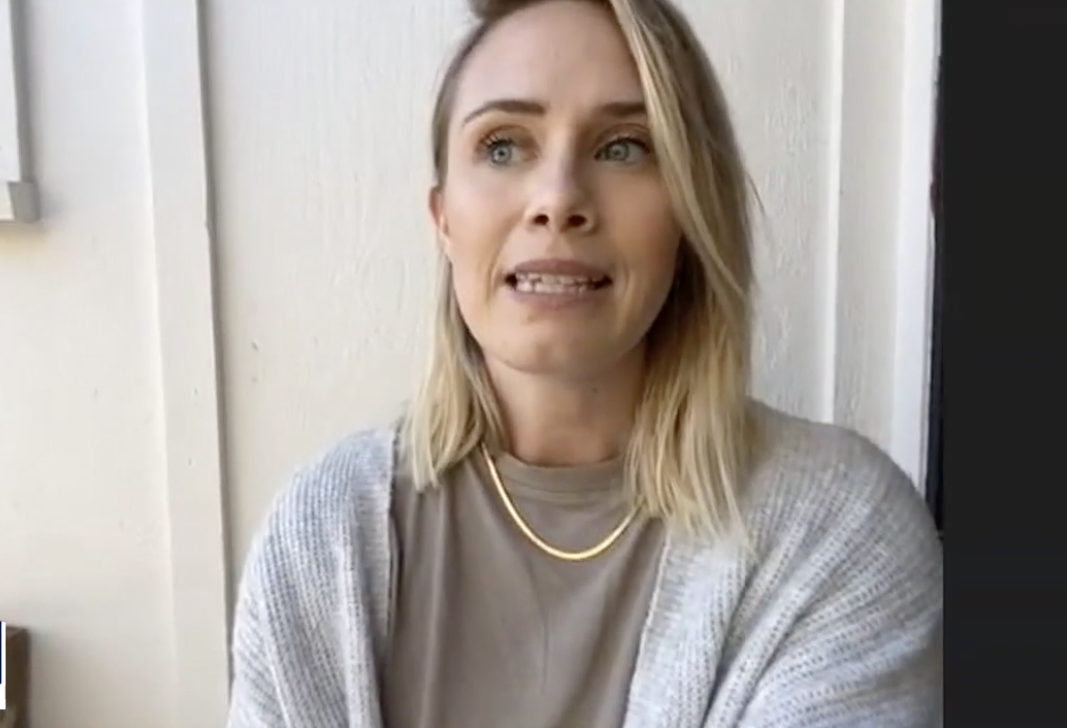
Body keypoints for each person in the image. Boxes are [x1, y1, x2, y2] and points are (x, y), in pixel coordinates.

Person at [225, 0, 944, 725]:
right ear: (444, 218)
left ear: (691, 211)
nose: (559, 199)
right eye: (504, 146)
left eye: (624, 147)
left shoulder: (839, 534)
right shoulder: (325, 537)